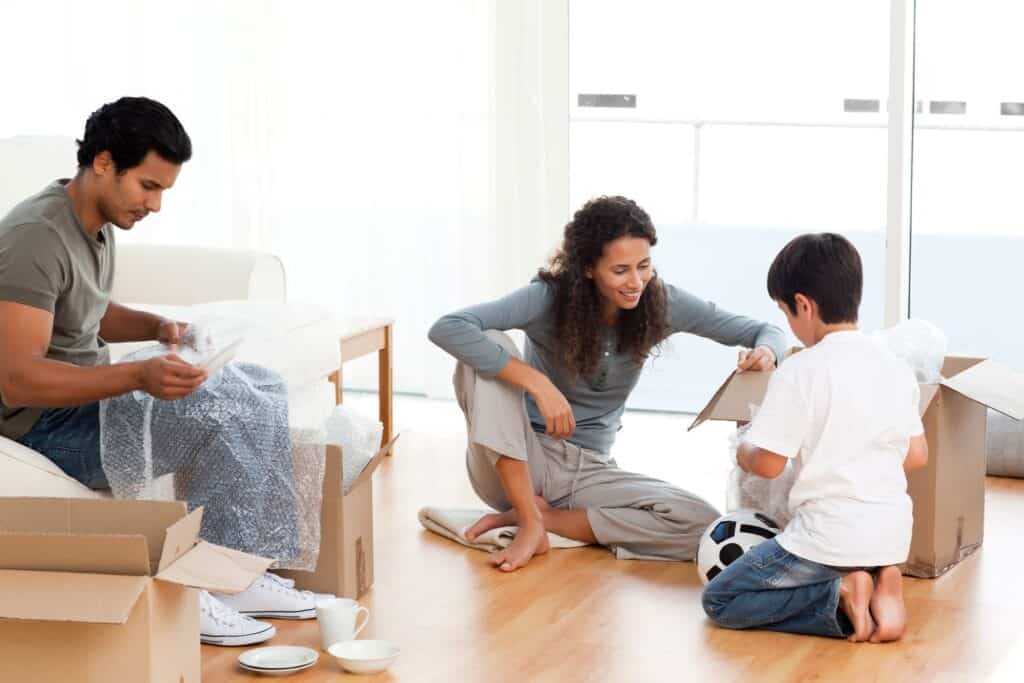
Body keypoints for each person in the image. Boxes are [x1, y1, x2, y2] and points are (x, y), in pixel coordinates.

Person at [0, 97, 321, 646]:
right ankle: (209, 584)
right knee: (219, 413)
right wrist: (136, 376)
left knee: (258, 387)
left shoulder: (93, 222)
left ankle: (239, 568)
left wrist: (160, 327)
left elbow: (87, 309)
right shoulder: (36, 237)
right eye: (149, 187)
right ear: (104, 163)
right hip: (45, 423)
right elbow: (16, 379)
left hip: (86, 403)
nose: (156, 205)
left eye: (163, 190)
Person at [429, 195, 786, 571]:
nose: (636, 282)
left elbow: (766, 330)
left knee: (700, 521)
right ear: (587, 269)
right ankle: (527, 516)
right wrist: (536, 382)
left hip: (587, 471)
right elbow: (449, 327)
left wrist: (766, 353)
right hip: (517, 458)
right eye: (620, 270)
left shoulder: (660, 302)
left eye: (644, 266)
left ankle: (541, 521)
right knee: (488, 349)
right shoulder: (547, 299)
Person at [701, 232, 929, 643]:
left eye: (786, 313)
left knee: (721, 599)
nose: (789, 325)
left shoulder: (801, 370)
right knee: (853, 547)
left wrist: (745, 450)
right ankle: (878, 580)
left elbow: (769, 465)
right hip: (893, 534)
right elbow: (916, 455)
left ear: (803, 305)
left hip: (827, 539)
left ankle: (839, 596)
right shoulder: (894, 366)